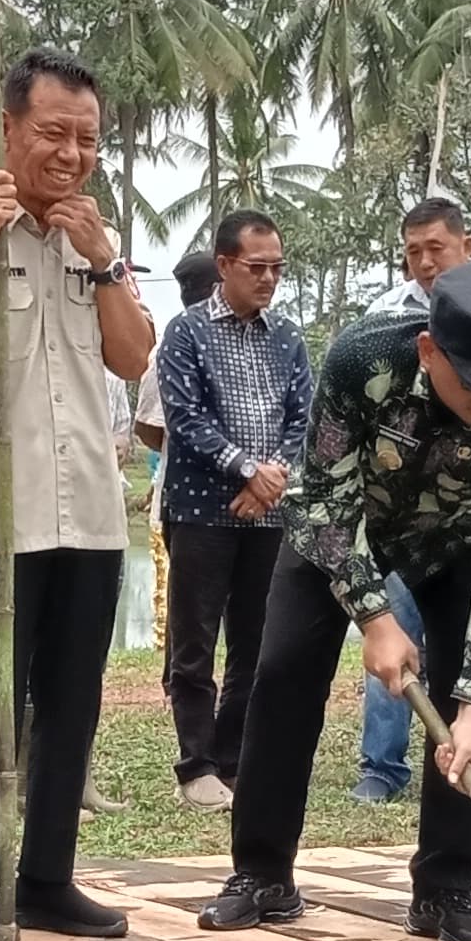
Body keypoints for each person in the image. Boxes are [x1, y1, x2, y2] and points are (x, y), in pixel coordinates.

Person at [199, 260, 471, 941]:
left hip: (454, 542)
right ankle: (263, 873)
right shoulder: (364, 358)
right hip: (339, 529)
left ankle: (445, 890)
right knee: (282, 675)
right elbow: (327, 499)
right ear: (430, 350)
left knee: (462, 711)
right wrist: (378, 619)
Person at [0, 49, 151, 941]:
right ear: (10, 128)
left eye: (87, 139)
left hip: (88, 507)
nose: (71, 153)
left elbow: (133, 359)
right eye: (53, 133)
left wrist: (105, 264)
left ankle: (48, 876)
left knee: (72, 697)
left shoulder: (99, 241)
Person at [154, 207, 315, 813]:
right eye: (257, 267)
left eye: (277, 267)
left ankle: (231, 756)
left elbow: (302, 416)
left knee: (257, 642)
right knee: (194, 643)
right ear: (224, 265)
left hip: (269, 514)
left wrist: (271, 477)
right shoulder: (186, 332)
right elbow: (186, 418)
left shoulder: (288, 336)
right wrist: (248, 470)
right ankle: (194, 764)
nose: (269, 278)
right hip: (202, 510)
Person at [357, 195, 471, 804]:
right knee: (392, 634)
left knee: (466, 645)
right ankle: (381, 768)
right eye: (414, 253)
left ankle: (463, 767)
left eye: (437, 249)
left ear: (469, 246)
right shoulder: (384, 320)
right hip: (405, 515)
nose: (426, 264)